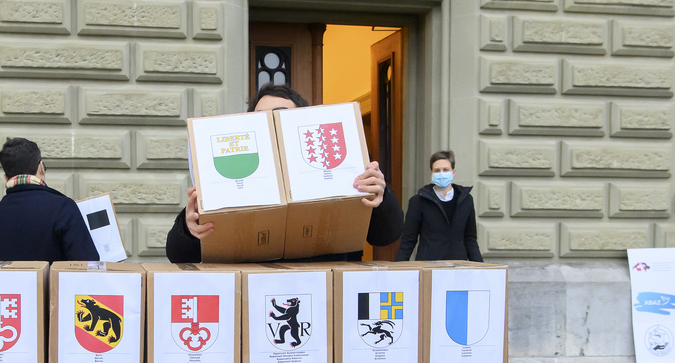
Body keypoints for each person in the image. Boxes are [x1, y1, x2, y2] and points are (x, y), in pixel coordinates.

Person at [165, 84, 403, 263]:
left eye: (280, 116)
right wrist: (188, 228)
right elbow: (178, 256)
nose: (271, 123)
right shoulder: (231, 180)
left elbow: (386, 236)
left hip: (327, 300)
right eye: (261, 118)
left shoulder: (341, 168)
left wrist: (381, 197)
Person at [0, 137, 99, 262]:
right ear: (41, 167)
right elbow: (87, 263)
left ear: (6, 177)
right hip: (53, 282)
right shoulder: (63, 208)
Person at [396, 149, 482, 262]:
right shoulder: (418, 201)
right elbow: (408, 239)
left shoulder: (466, 200)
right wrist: (400, 268)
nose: (441, 174)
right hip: (429, 267)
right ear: (431, 174)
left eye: (445, 170)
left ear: (453, 172)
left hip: (458, 268)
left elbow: (470, 239)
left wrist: (481, 270)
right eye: (437, 170)